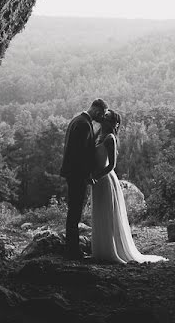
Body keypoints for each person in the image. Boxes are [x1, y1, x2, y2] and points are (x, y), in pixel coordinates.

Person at [90, 110, 167, 264]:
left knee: (106, 214)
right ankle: (99, 251)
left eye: (106, 116)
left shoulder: (110, 138)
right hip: (97, 179)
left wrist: (96, 176)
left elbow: (111, 165)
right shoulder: (98, 135)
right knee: (99, 213)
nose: (103, 117)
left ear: (112, 122)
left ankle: (110, 251)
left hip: (104, 179)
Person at [59, 98, 108, 260]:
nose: (101, 118)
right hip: (77, 174)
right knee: (75, 212)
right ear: (96, 110)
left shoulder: (77, 120)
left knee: (74, 211)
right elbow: (80, 154)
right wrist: (87, 175)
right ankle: (72, 251)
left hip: (72, 173)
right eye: (101, 115)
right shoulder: (83, 124)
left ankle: (71, 248)